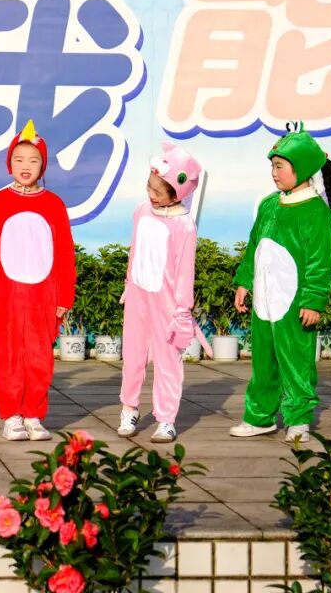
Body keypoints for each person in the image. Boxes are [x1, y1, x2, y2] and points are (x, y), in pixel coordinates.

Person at [230, 124, 331, 444]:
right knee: (262, 362)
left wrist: (313, 300)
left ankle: (299, 418)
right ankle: (259, 417)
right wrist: (244, 282)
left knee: (296, 362)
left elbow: (320, 262)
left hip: (294, 304)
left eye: (280, 166)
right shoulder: (269, 205)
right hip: (264, 302)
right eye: (272, 166)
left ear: (301, 168)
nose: (274, 173)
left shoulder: (316, 212)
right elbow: (254, 246)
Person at [0, 121, 76, 442]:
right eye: (18, 159)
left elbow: (65, 254)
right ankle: (12, 416)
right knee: (7, 356)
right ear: (9, 164)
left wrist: (65, 297)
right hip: (5, 295)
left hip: (43, 295)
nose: (25, 166)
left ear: (43, 166)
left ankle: (33, 414)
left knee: (39, 355)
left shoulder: (54, 204)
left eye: (33, 160)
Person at [118, 143, 204, 444]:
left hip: (167, 305)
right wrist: (129, 283)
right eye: (149, 186)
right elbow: (134, 252)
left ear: (177, 193)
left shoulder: (184, 225)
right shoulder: (141, 212)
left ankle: (166, 419)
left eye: (158, 191)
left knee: (167, 361)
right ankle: (128, 409)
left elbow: (185, 272)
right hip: (138, 297)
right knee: (132, 357)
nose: (151, 194)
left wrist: (182, 310)